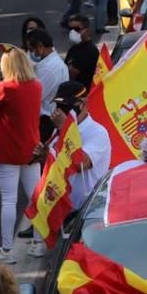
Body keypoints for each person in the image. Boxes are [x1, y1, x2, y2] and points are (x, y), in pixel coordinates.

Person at [0, 47, 42, 263]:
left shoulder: (5, 87)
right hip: (32, 148)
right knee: (36, 197)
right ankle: (38, 242)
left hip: (8, 149)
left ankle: (7, 249)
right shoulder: (36, 86)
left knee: (9, 199)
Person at [50, 81, 110, 210]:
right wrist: (43, 154)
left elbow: (81, 164)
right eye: (58, 106)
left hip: (86, 209)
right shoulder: (59, 130)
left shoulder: (97, 132)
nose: (59, 111)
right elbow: (56, 161)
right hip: (61, 206)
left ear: (81, 105)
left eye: (65, 107)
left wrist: (64, 128)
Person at [25, 29, 68, 142]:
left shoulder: (51, 68)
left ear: (40, 46)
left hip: (45, 122)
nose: (31, 53)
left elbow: (35, 95)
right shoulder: (48, 65)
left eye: (31, 50)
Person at [64, 15, 98, 90]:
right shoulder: (73, 48)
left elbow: (70, 74)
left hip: (82, 93)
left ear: (87, 30)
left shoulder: (90, 50)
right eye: (70, 29)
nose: (72, 32)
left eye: (76, 29)